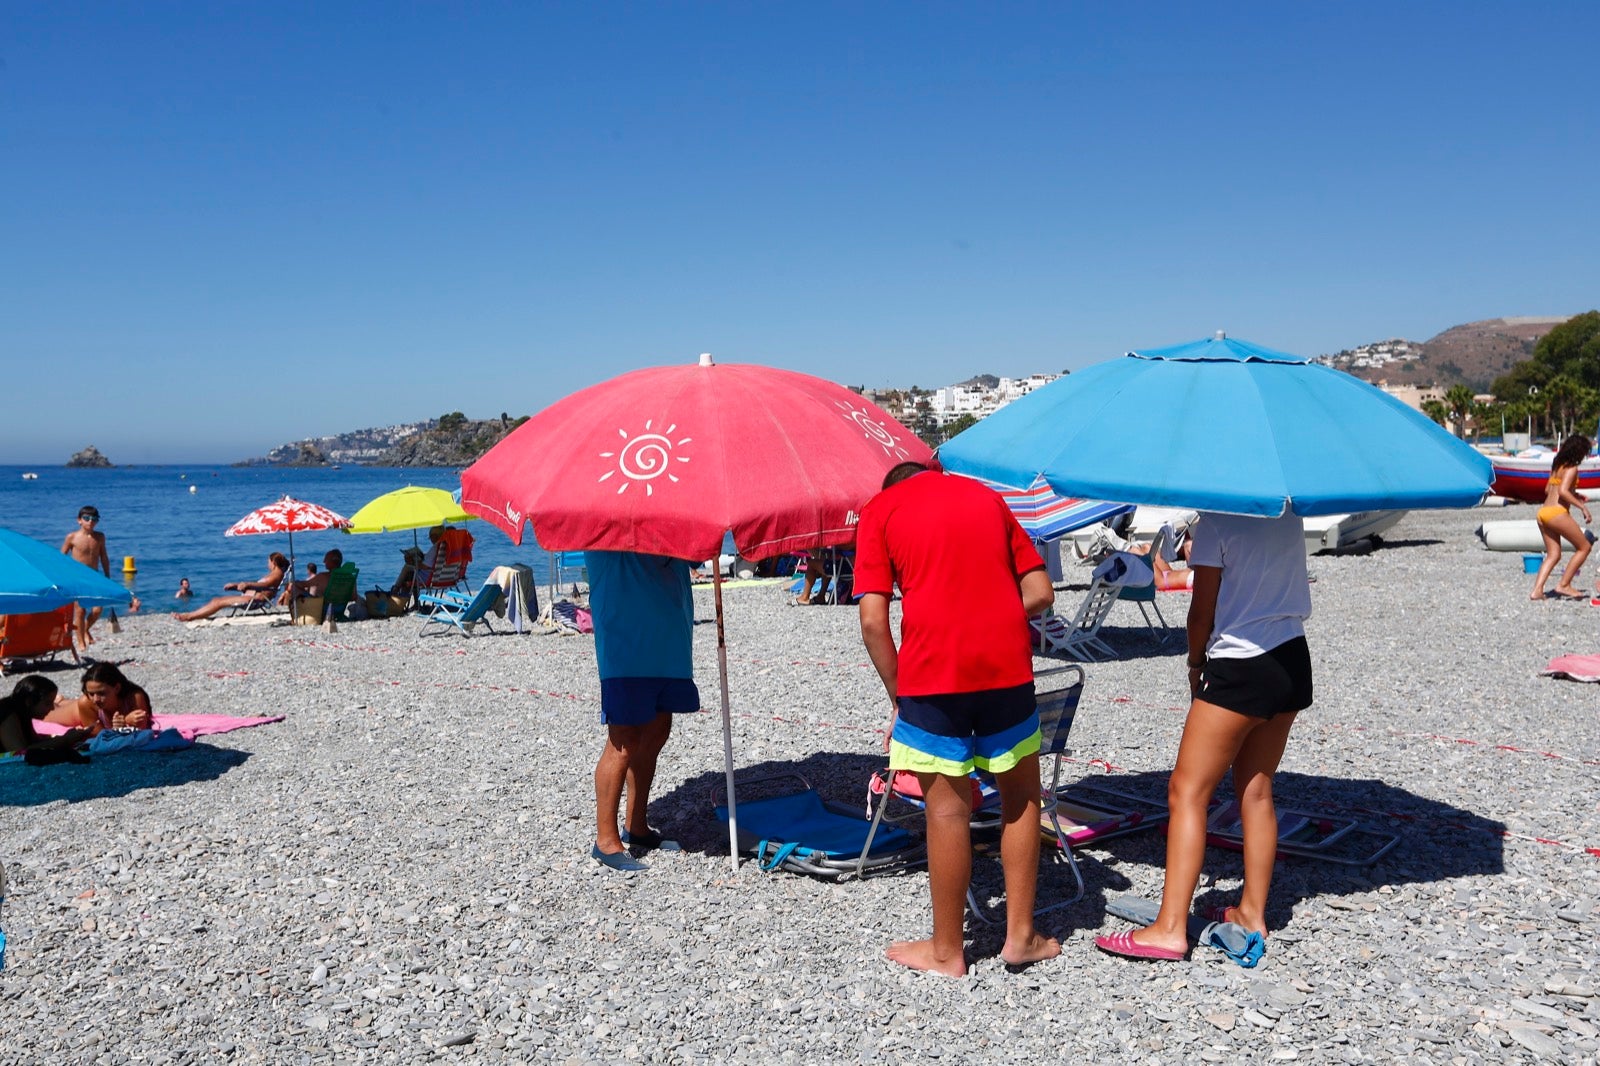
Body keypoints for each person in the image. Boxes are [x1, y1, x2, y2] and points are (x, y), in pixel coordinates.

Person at [855, 461, 1060, 976]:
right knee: (1021, 798)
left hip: (932, 676)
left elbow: (872, 621)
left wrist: (898, 691)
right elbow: (1040, 592)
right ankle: (1021, 937)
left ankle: (948, 951)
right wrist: (988, 615)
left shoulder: (880, 510)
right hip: (1005, 670)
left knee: (946, 813)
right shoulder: (986, 498)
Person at [1094, 510, 1312, 962]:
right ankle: (1252, 911)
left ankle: (1170, 928)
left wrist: (1196, 664)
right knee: (1256, 790)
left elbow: (1202, 612)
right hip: (1292, 657)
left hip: (1241, 663)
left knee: (1187, 792)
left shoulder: (1217, 522)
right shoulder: (1288, 514)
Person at [586, 550, 700, 872]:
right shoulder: (602, 510)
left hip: (669, 634)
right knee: (624, 738)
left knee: (657, 730)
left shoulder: (670, 506)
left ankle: (637, 826)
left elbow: (695, 555)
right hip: (625, 639)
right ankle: (605, 840)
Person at [1530, 434, 1592, 601]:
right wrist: (1582, 507)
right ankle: (1564, 585)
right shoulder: (1571, 469)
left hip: (1543, 512)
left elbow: (1548, 490)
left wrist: (1576, 494)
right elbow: (1563, 492)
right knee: (1584, 547)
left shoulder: (1557, 465)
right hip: (1557, 513)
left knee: (1554, 554)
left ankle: (1537, 591)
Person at [174, 552, 289, 622]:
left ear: (273, 562)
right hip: (252, 597)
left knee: (217, 602)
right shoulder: (275, 574)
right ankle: (191, 615)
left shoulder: (276, 574)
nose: (267, 564)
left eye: (268, 562)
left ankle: (189, 617)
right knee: (216, 600)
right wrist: (236, 586)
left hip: (254, 600)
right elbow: (262, 586)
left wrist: (247, 584)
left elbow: (264, 585)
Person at [43, 663, 153, 734]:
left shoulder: (134, 698)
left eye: (101, 693)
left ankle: (60, 701)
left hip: (90, 709)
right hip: (80, 711)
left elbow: (143, 732)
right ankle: (59, 701)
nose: (95, 699)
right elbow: (100, 737)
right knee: (47, 713)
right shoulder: (87, 702)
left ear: (117, 688)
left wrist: (123, 724)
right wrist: (124, 723)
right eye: (91, 693)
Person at [61, 505, 111, 652]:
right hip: (77, 578)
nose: (90, 521)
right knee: (80, 610)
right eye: (87, 518)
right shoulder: (72, 537)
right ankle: (81, 642)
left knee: (97, 609)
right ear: (79, 520)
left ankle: (85, 629)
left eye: (94, 519)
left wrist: (107, 575)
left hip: (94, 577)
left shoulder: (100, 537)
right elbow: (61, 558)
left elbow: (104, 557)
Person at [0, 676, 90, 756]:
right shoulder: (8, 713)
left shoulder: (24, 714)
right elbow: (19, 753)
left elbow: (35, 743)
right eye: (48, 703)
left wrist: (67, 738)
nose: (52, 708)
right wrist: (65, 740)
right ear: (29, 701)